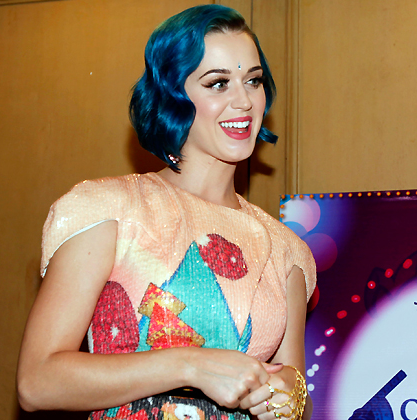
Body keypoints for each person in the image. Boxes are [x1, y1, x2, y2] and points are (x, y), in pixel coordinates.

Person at [17, 5, 316, 420]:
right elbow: (37, 381)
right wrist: (190, 364)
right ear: (173, 95)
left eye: (253, 80)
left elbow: (295, 389)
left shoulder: (287, 250)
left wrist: (287, 397)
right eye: (218, 84)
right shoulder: (109, 210)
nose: (244, 100)